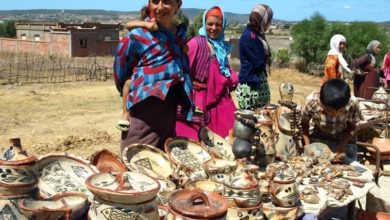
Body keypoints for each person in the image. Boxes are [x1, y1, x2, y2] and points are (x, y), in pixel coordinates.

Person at [114, 0, 193, 152]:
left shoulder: (179, 36)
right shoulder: (137, 36)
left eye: (167, 2)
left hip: (169, 113)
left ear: (178, 5)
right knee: (136, 162)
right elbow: (120, 72)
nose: (160, 7)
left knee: (163, 164)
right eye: (155, 1)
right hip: (143, 115)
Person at [176, 6, 238, 140]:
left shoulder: (221, 46)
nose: (214, 28)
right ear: (204, 24)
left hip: (220, 102)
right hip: (199, 99)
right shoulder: (196, 43)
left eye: (218, 24)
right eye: (210, 24)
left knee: (227, 139)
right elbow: (183, 72)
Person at [116, 6, 159, 131]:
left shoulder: (166, 29)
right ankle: (125, 112)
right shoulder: (143, 25)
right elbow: (128, 25)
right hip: (140, 67)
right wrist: (147, 24)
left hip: (158, 68)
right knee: (129, 83)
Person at [301, 79, 361, 164]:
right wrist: (307, 147)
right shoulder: (312, 102)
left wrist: (342, 146)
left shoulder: (352, 103)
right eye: (329, 111)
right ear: (322, 103)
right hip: (319, 137)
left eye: (340, 111)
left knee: (348, 167)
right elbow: (304, 124)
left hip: (343, 138)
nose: (335, 115)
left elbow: (352, 127)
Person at [236, 4, 273, 110]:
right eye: (269, 20)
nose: (270, 24)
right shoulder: (250, 36)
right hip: (251, 87)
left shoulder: (255, 34)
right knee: (252, 121)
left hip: (255, 83)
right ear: (263, 20)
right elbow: (259, 63)